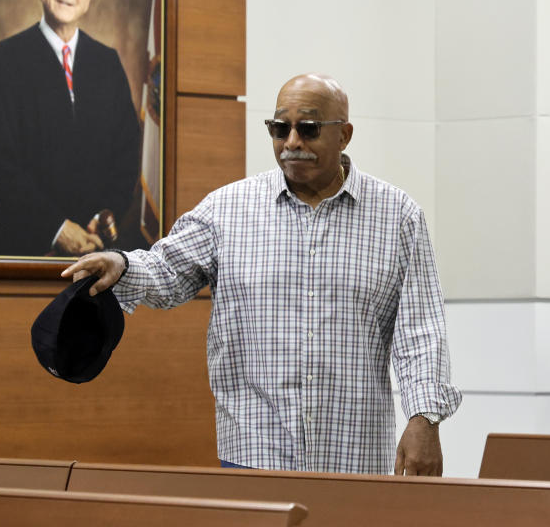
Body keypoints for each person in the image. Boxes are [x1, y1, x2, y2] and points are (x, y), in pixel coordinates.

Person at [62, 73, 462, 475]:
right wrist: (123, 264)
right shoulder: (227, 210)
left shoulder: (397, 217)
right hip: (254, 454)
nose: (291, 143)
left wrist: (424, 420)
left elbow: (422, 332)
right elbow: (166, 269)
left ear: (344, 134)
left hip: (354, 458)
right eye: (279, 128)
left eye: (308, 129)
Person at [0, 0, 140, 257]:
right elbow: (1, 162)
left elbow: (127, 153)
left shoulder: (107, 63)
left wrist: (100, 220)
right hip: (27, 249)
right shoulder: (8, 58)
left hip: (96, 253)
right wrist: (55, 228)